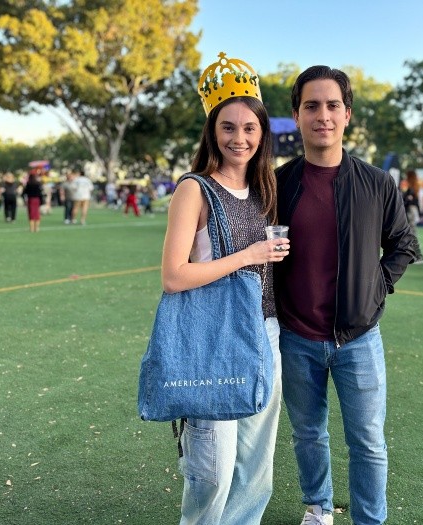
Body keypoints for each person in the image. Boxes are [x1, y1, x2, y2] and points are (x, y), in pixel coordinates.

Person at [275, 65, 415, 525]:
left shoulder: (376, 182)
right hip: (295, 336)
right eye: (311, 106)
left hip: (359, 337)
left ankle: (369, 520)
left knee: (368, 442)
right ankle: (318, 508)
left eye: (333, 105)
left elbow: (403, 245)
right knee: (307, 434)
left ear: (347, 114)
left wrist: (376, 287)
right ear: (298, 115)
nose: (323, 115)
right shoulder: (278, 183)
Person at [162, 52, 289, 525]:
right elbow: (174, 275)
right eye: (228, 127)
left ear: (262, 133)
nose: (240, 138)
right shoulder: (194, 189)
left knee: (256, 466)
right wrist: (249, 255)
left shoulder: (264, 189)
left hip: (265, 333)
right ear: (212, 131)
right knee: (212, 469)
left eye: (250, 128)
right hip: (213, 338)